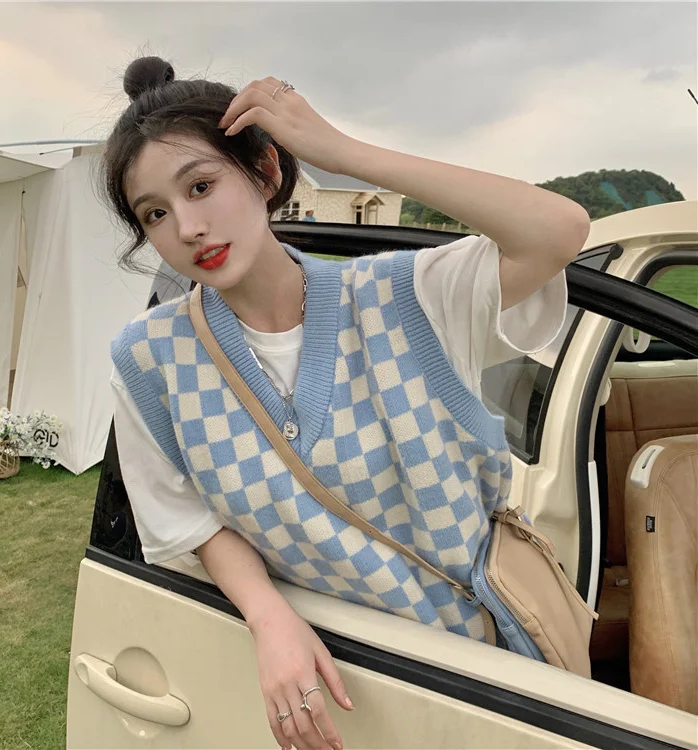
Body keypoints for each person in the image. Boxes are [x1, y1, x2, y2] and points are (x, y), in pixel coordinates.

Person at [104, 56, 589, 750]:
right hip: (337, 688)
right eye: (155, 213)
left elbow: (559, 230)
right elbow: (186, 523)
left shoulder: (408, 296)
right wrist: (266, 614)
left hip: (486, 678)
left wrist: (343, 154)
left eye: (201, 186)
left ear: (265, 170)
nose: (186, 227)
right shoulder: (148, 359)